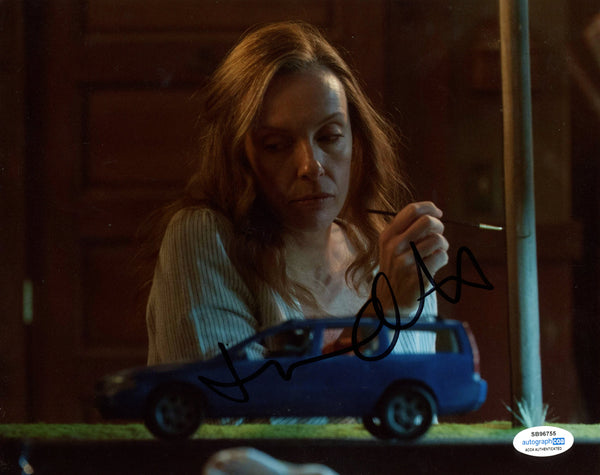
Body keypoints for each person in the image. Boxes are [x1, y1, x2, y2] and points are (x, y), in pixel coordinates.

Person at [145, 21, 449, 366]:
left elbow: (415, 395)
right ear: (237, 154)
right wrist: (383, 317)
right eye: (276, 145)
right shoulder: (205, 238)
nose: (310, 166)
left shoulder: (391, 260)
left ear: (357, 141)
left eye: (330, 137)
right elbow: (234, 397)